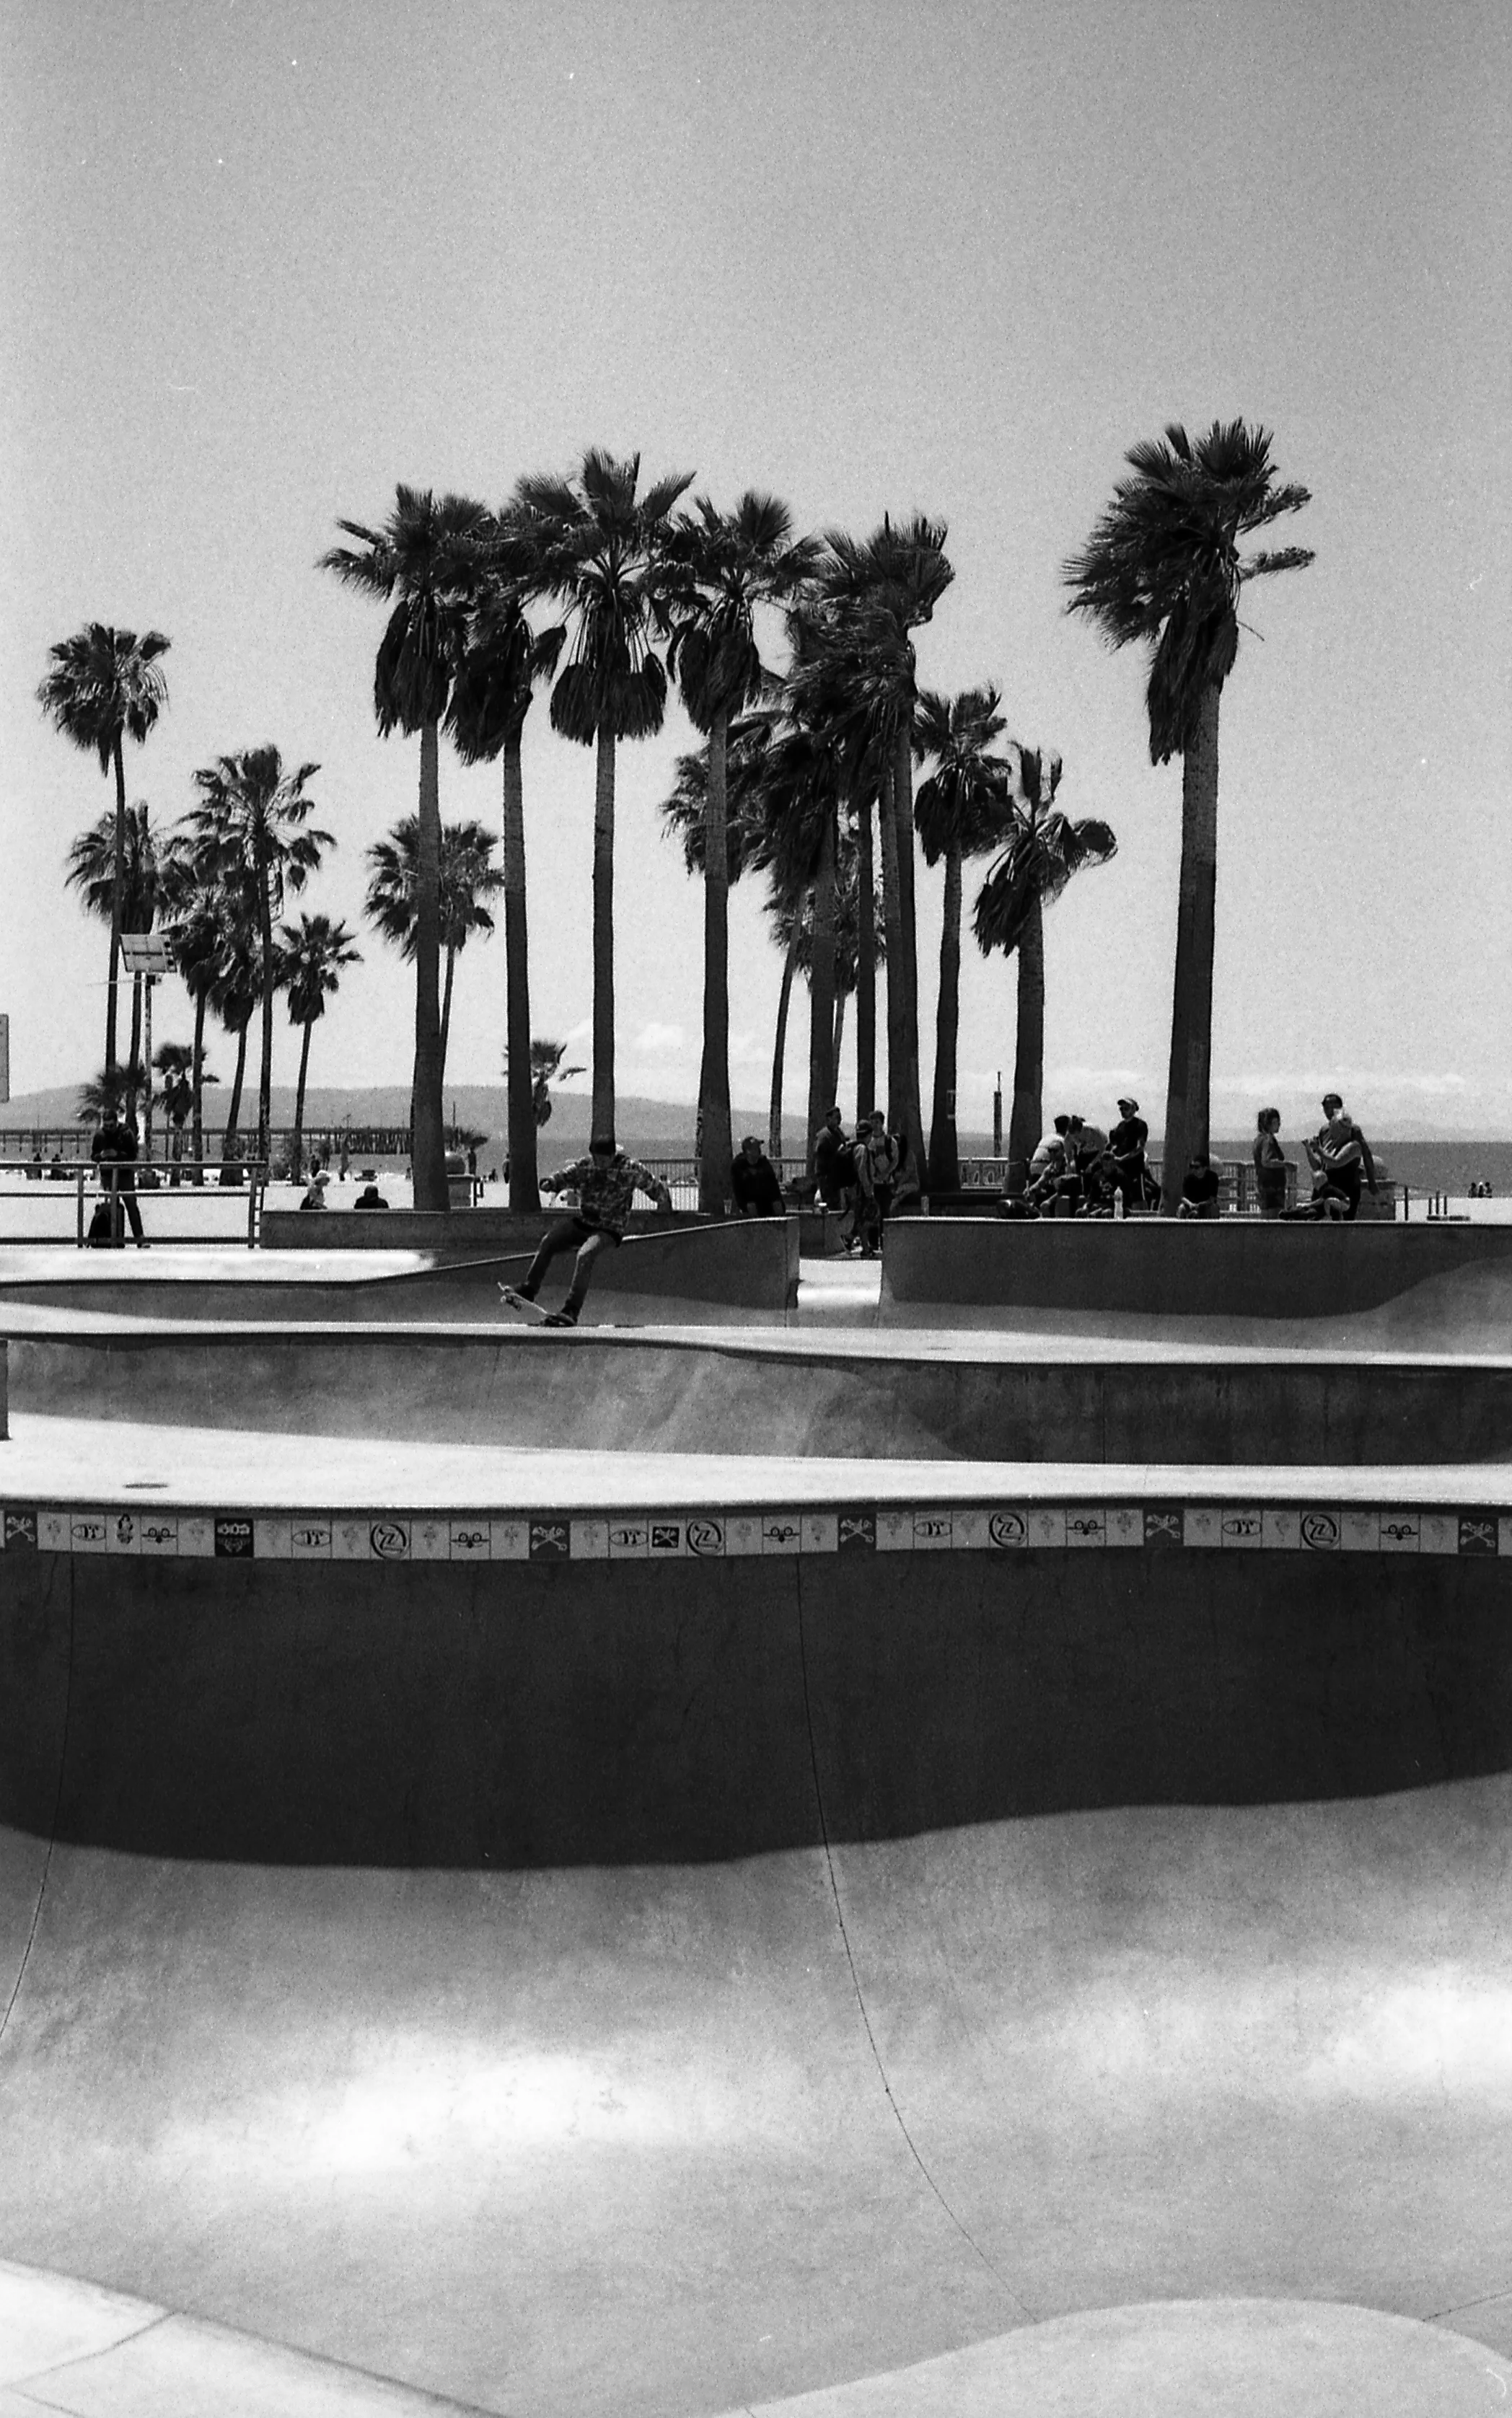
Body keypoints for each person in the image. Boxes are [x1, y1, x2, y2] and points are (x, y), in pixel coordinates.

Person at [511, 1136, 672, 1326]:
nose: (599, 1164)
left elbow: (655, 1188)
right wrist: (551, 1182)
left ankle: (571, 1310)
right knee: (549, 1241)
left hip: (610, 1228)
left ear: (613, 1155)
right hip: (584, 1223)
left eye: (603, 1160)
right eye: (596, 1159)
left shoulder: (630, 1169)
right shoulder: (586, 1166)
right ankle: (529, 1289)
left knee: (584, 1255)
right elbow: (567, 1175)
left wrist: (665, 1206)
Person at [1308, 1093, 1377, 1221]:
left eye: (1334, 1107)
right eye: (1327, 1108)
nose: (1330, 1111)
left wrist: (1371, 1181)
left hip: (1347, 1183)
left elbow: (1366, 1154)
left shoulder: (1352, 1130)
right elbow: (1324, 1158)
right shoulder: (1324, 1130)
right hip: (1328, 1184)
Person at [89, 1103, 145, 1246]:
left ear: (116, 1123)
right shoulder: (100, 1136)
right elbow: (93, 1155)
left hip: (125, 1174)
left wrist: (118, 1155)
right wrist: (101, 1156)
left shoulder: (126, 1133)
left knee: (131, 1205)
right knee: (111, 1207)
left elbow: (133, 1155)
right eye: (106, 1126)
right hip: (108, 1175)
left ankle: (139, 1237)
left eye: (111, 1126)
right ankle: (114, 1238)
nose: (108, 1129)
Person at [850, 1113, 900, 1257]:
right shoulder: (868, 1143)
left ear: (882, 1123)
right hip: (873, 1184)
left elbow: (895, 1160)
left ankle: (885, 1243)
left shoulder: (890, 1142)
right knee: (871, 1215)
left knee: (885, 1213)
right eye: (873, 1122)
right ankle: (872, 1244)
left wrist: (887, 1173)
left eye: (878, 1122)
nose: (875, 1125)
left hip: (886, 1183)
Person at [1109, 1097, 1151, 1213]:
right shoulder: (1120, 1126)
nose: (1123, 1111)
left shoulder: (1140, 1125)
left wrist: (1122, 1158)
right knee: (1124, 1198)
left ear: (1133, 1109)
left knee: (1139, 1198)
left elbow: (1139, 1148)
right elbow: (1117, 1145)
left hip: (1136, 1170)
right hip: (1122, 1170)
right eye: (1121, 1109)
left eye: (1126, 1108)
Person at [814, 1107, 852, 1223]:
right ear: (829, 1119)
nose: (839, 1120)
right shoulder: (824, 1135)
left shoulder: (839, 1132)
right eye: (836, 1117)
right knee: (829, 1205)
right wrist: (837, 1153)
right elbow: (820, 1153)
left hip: (837, 1177)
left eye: (840, 1117)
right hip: (827, 1177)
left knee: (839, 1206)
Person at [730, 1135, 784, 1216]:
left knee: (778, 1206)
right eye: (754, 1149)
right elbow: (738, 1191)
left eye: (758, 1148)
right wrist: (744, 1206)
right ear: (747, 1151)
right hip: (749, 1202)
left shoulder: (764, 1163)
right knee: (752, 1207)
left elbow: (774, 1186)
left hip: (766, 1201)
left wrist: (778, 1202)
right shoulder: (738, 1166)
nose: (758, 1151)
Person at [1253, 1108, 1288, 1217]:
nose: (1279, 1125)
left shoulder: (1258, 1140)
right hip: (1273, 1188)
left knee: (1266, 1217)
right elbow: (1266, 1161)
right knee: (1274, 1218)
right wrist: (1285, 1164)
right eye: (1277, 1122)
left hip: (1264, 1185)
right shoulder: (1268, 1140)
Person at [1177, 1151, 1221, 1218]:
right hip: (1190, 1205)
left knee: (1214, 1208)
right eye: (1192, 1167)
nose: (1194, 1170)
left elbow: (1212, 1199)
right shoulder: (1188, 1179)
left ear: (1205, 1168)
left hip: (1206, 1205)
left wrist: (1200, 1205)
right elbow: (1183, 1197)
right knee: (1181, 1208)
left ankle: (1213, 1227)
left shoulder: (1212, 1178)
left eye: (1197, 1167)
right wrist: (1191, 1204)